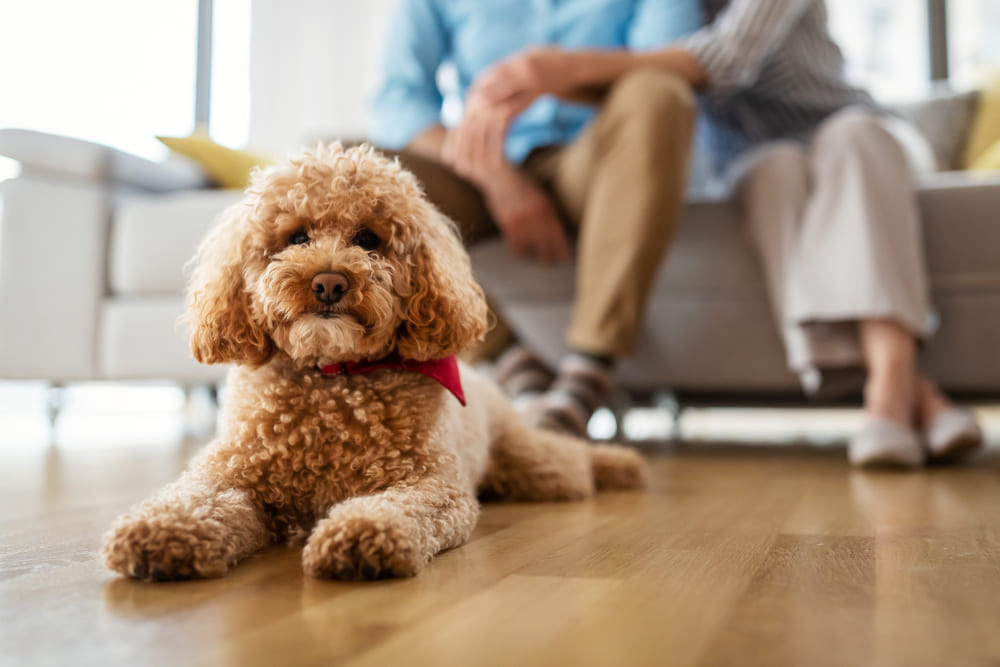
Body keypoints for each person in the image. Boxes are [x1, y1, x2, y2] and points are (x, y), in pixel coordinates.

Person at [465, 0, 983, 466]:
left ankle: (889, 394)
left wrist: (558, 67)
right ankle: (922, 396)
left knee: (851, 142)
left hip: (854, 125)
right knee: (773, 174)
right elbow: (649, 70)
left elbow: (727, 57)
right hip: (756, 152)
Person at [369, 0, 703, 437]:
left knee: (659, 90)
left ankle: (587, 373)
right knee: (363, 182)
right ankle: (511, 364)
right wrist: (493, 175)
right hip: (480, 166)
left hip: (597, 160)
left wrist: (565, 70)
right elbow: (398, 97)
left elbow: (674, 60)